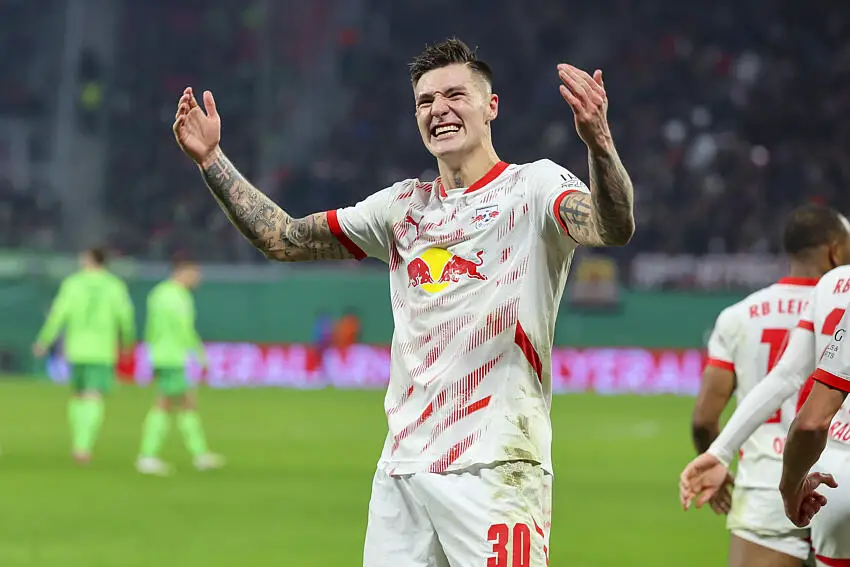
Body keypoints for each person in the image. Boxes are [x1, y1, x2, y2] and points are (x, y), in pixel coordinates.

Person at [173, 38, 635, 565]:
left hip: (495, 464)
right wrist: (212, 160)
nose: (438, 109)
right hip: (402, 473)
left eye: (455, 95)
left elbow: (611, 226)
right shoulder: (400, 208)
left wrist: (599, 143)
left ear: (491, 106)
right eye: (425, 101)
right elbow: (285, 238)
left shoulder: (534, 187)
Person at [689, 204, 850, 567]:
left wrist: (719, 453)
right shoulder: (834, 292)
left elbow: (782, 378)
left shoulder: (742, 314)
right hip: (830, 472)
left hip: (773, 486)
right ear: (835, 250)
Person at [32, 247, 135, 464]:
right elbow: (125, 317)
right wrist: (127, 343)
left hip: (77, 349)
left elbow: (58, 315)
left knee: (79, 395)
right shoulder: (114, 285)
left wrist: (44, 340)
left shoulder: (73, 283)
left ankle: (78, 442)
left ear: (89, 260)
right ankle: (83, 446)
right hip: (102, 350)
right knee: (93, 396)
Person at [136, 260, 223, 475]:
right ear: (182, 272)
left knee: (182, 403)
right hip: (173, 356)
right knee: (169, 404)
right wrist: (200, 355)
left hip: (160, 354)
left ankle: (199, 454)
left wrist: (150, 352)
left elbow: (151, 327)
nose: (197, 280)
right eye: (195, 275)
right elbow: (184, 328)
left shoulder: (158, 293)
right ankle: (148, 456)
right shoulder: (179, 297)